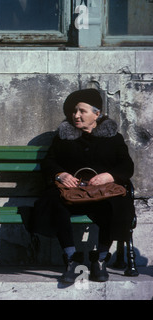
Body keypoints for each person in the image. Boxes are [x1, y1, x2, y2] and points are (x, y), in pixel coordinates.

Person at [31, 88, 135, 283]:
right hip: (72, 193)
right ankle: (71, 259)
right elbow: (49, 162)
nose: (76, 115)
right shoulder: (63, 137)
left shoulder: (113, 138)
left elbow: (127, 166)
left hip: (102, 193)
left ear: (97, 114)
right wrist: (61, 174)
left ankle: (101, 259)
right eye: (73, 111)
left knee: (117, 205)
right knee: (54, 201)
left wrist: (110, 176)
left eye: (82, 111)